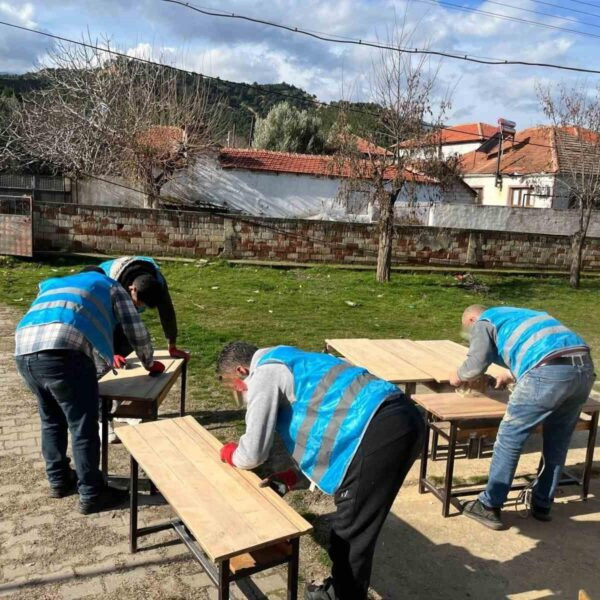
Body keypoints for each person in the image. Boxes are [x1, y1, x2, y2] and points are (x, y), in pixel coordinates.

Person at [216, 342, 424, 600]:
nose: (237, 391)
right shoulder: (292, 359)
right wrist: (293, 476)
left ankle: (343, 595)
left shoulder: (264, 374)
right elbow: (323, 429)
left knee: (350, 534)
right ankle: (341, 589)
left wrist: (229, 453)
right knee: (358, 523)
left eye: (234, 384)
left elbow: (252, 454)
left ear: (242, 369)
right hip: (402, 416)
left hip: (379, 430)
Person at [15, 270, 165, 514]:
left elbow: (76, 325)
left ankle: (59, 480)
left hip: (24, 351)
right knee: (82, 425)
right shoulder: (110, 286)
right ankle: (92, 493)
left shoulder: (54, 285)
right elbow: (134, 329)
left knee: (51, 419)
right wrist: (149, 362)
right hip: (62, 353)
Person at [449, 304, 595, 530]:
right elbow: (545, 349)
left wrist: (457, 376)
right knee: (558, 441)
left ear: (470, 320)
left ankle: (489, 505)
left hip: (547, 372)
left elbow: (475, 365)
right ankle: (542, 504)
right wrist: (511, 374)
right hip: (583, 370)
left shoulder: (483, 321)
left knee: (510, 438)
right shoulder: (522, 316)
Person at [95, 256, 190, 364]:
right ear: (132, 289)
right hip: (96, 299)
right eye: (138, 303)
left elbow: (167, 312)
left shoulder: (158, 283)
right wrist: (110, 353)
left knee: (128, 351)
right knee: (106, 362)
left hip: (125, 284)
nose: (139, 307)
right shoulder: (110, 287)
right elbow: (102, 320)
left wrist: (172, 346)